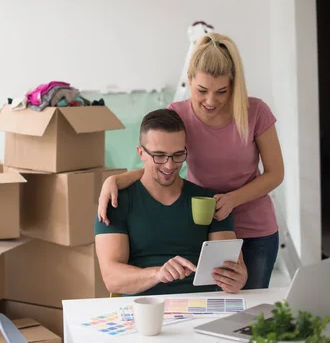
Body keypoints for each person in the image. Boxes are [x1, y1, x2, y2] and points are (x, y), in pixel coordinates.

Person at [97, 32, 284, 290]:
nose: (210, 101)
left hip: (254, 229)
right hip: (205, 223)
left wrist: (232, 199)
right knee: (212, 300)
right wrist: (115, 180)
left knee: (249, 308)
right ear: (189, 80)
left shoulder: (256, 112)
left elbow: (275, 174)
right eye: (201, 91)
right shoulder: (178, 114)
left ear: (234, 85)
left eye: (221, 92)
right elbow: (157, 159)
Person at [94, 109, 247, 296]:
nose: (169, 165)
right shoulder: (116, 201)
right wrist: (158, 274)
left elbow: (232, 267)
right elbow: (112, 279)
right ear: (141, 153)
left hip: (204, 304)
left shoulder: (210, 201)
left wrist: (237, 278)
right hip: (145, 309)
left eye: (177, 155)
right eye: (159, 155)